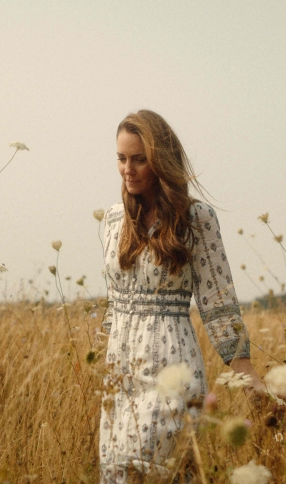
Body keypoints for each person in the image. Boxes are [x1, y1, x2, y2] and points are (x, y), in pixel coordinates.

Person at [98, 110, 265, 482]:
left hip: (171, 366)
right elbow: (113, 305)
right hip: (120, 371)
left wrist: (248, 375)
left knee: (163, 470)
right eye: (122, 159)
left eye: (139, 159)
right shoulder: (112, 221)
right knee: (118, 472)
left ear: (161, 161)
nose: (128, 169)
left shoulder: (196, 218)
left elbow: (218, 302)